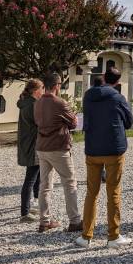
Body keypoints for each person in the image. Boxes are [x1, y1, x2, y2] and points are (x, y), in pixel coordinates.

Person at [75, 66, 133, 249]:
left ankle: (86, 235)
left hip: (93, 148)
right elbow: (129, 121)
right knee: (113, 192)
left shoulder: (88, 95)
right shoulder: (117, 97)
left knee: (91, 193)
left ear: (103, 77)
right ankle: (113, 235)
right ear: (117, 81)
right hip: (113, 148)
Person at [34, 73, 81, 233]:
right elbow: (74, 123)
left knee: (45, 185)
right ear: (56, 86)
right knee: (69, 182)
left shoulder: (38, 102)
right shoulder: (60, 103)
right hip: (58, 147)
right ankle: (74, 221)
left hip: (42, 147)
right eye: (60, 84)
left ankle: (44, 221)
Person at [17, 79, 42, 222]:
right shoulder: (32, 105)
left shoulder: (26, 102)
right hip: (33, 144)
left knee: (37, 176)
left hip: (29, 143)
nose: (43, 91)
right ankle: (24, 213)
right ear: (36, 90)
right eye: (42, 88)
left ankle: (35, 204)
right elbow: (40, 123)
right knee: (30, 179)